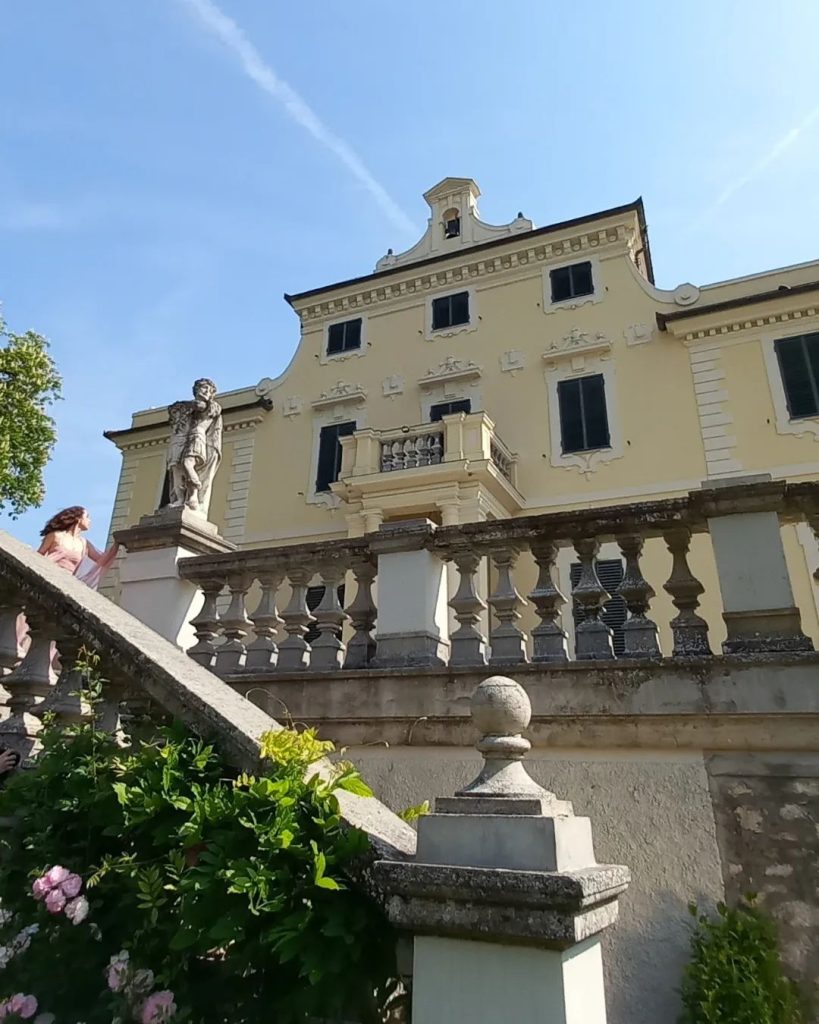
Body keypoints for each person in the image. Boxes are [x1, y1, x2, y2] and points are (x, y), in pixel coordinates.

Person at [15, 506, 120, 659]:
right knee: (32, 618)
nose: (90, 521)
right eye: (87, 516)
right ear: (78, 518)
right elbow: (37, 557)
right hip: (48, 580)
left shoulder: (84, 543)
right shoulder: (55, 536)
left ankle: (40, 657)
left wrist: (116, 545)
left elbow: (101, 560)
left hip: (66, 586)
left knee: (53, 622)